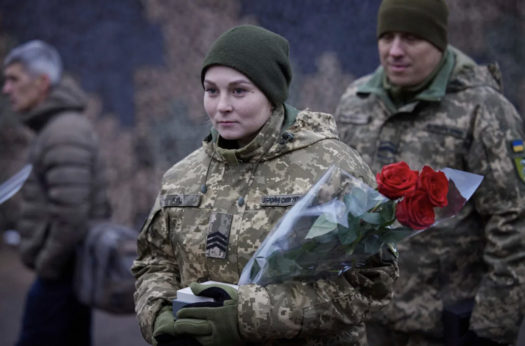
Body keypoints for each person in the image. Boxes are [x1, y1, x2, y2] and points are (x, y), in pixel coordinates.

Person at [132, 24, 398, 346]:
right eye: (211, 90)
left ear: (271, 94)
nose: (221, 106)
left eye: (239, 91)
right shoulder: (182, 175)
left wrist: (245, 317)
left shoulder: (331, 167)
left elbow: (370, 282)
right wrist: (159, 316)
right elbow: (154, 262)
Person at [334, 0, 525, 345]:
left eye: (410, 38)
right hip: (364, 325)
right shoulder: (355, 102)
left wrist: (492, 330)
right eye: (387, 37)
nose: (394, 51)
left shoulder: (483, 110)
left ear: (438, 42)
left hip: (443, 329)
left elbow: (514, 225)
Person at [2, 40, 110, 346]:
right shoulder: (58, 128)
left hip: (61, 276)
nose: (6, 89)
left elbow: (71, 216)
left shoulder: (64, 132)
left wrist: (47, 266)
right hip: (66, 273)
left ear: (42, 83)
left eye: (14, 79)